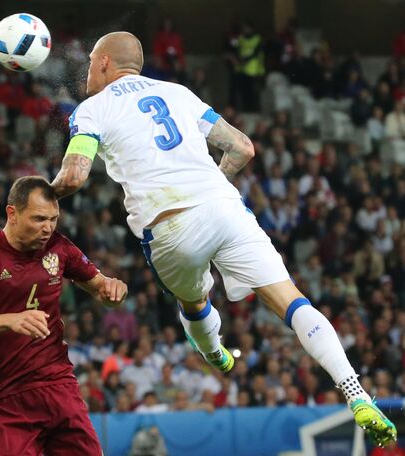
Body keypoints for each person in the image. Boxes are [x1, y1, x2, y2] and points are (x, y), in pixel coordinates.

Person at [51, 31, 397, 447]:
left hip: (169, 226)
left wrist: (41, 195)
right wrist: (212, 183)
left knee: (193, 301)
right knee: (292, 301)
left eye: (90, 61)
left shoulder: (92, 110)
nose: (87, 69)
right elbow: (243, 147)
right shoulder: (178, 93)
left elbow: (73, 176)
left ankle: (213, 350)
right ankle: (354, 391)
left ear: (105, 62)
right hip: (224, 207)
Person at [0, 176, 128, 455]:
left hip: (57, 383)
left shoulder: (59, 247)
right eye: (38, 219)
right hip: (6, 395)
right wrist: (10, 319)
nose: (47, 228)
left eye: (53, 219)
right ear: (12, 213)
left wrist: (114, 290)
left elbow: (101, 289)